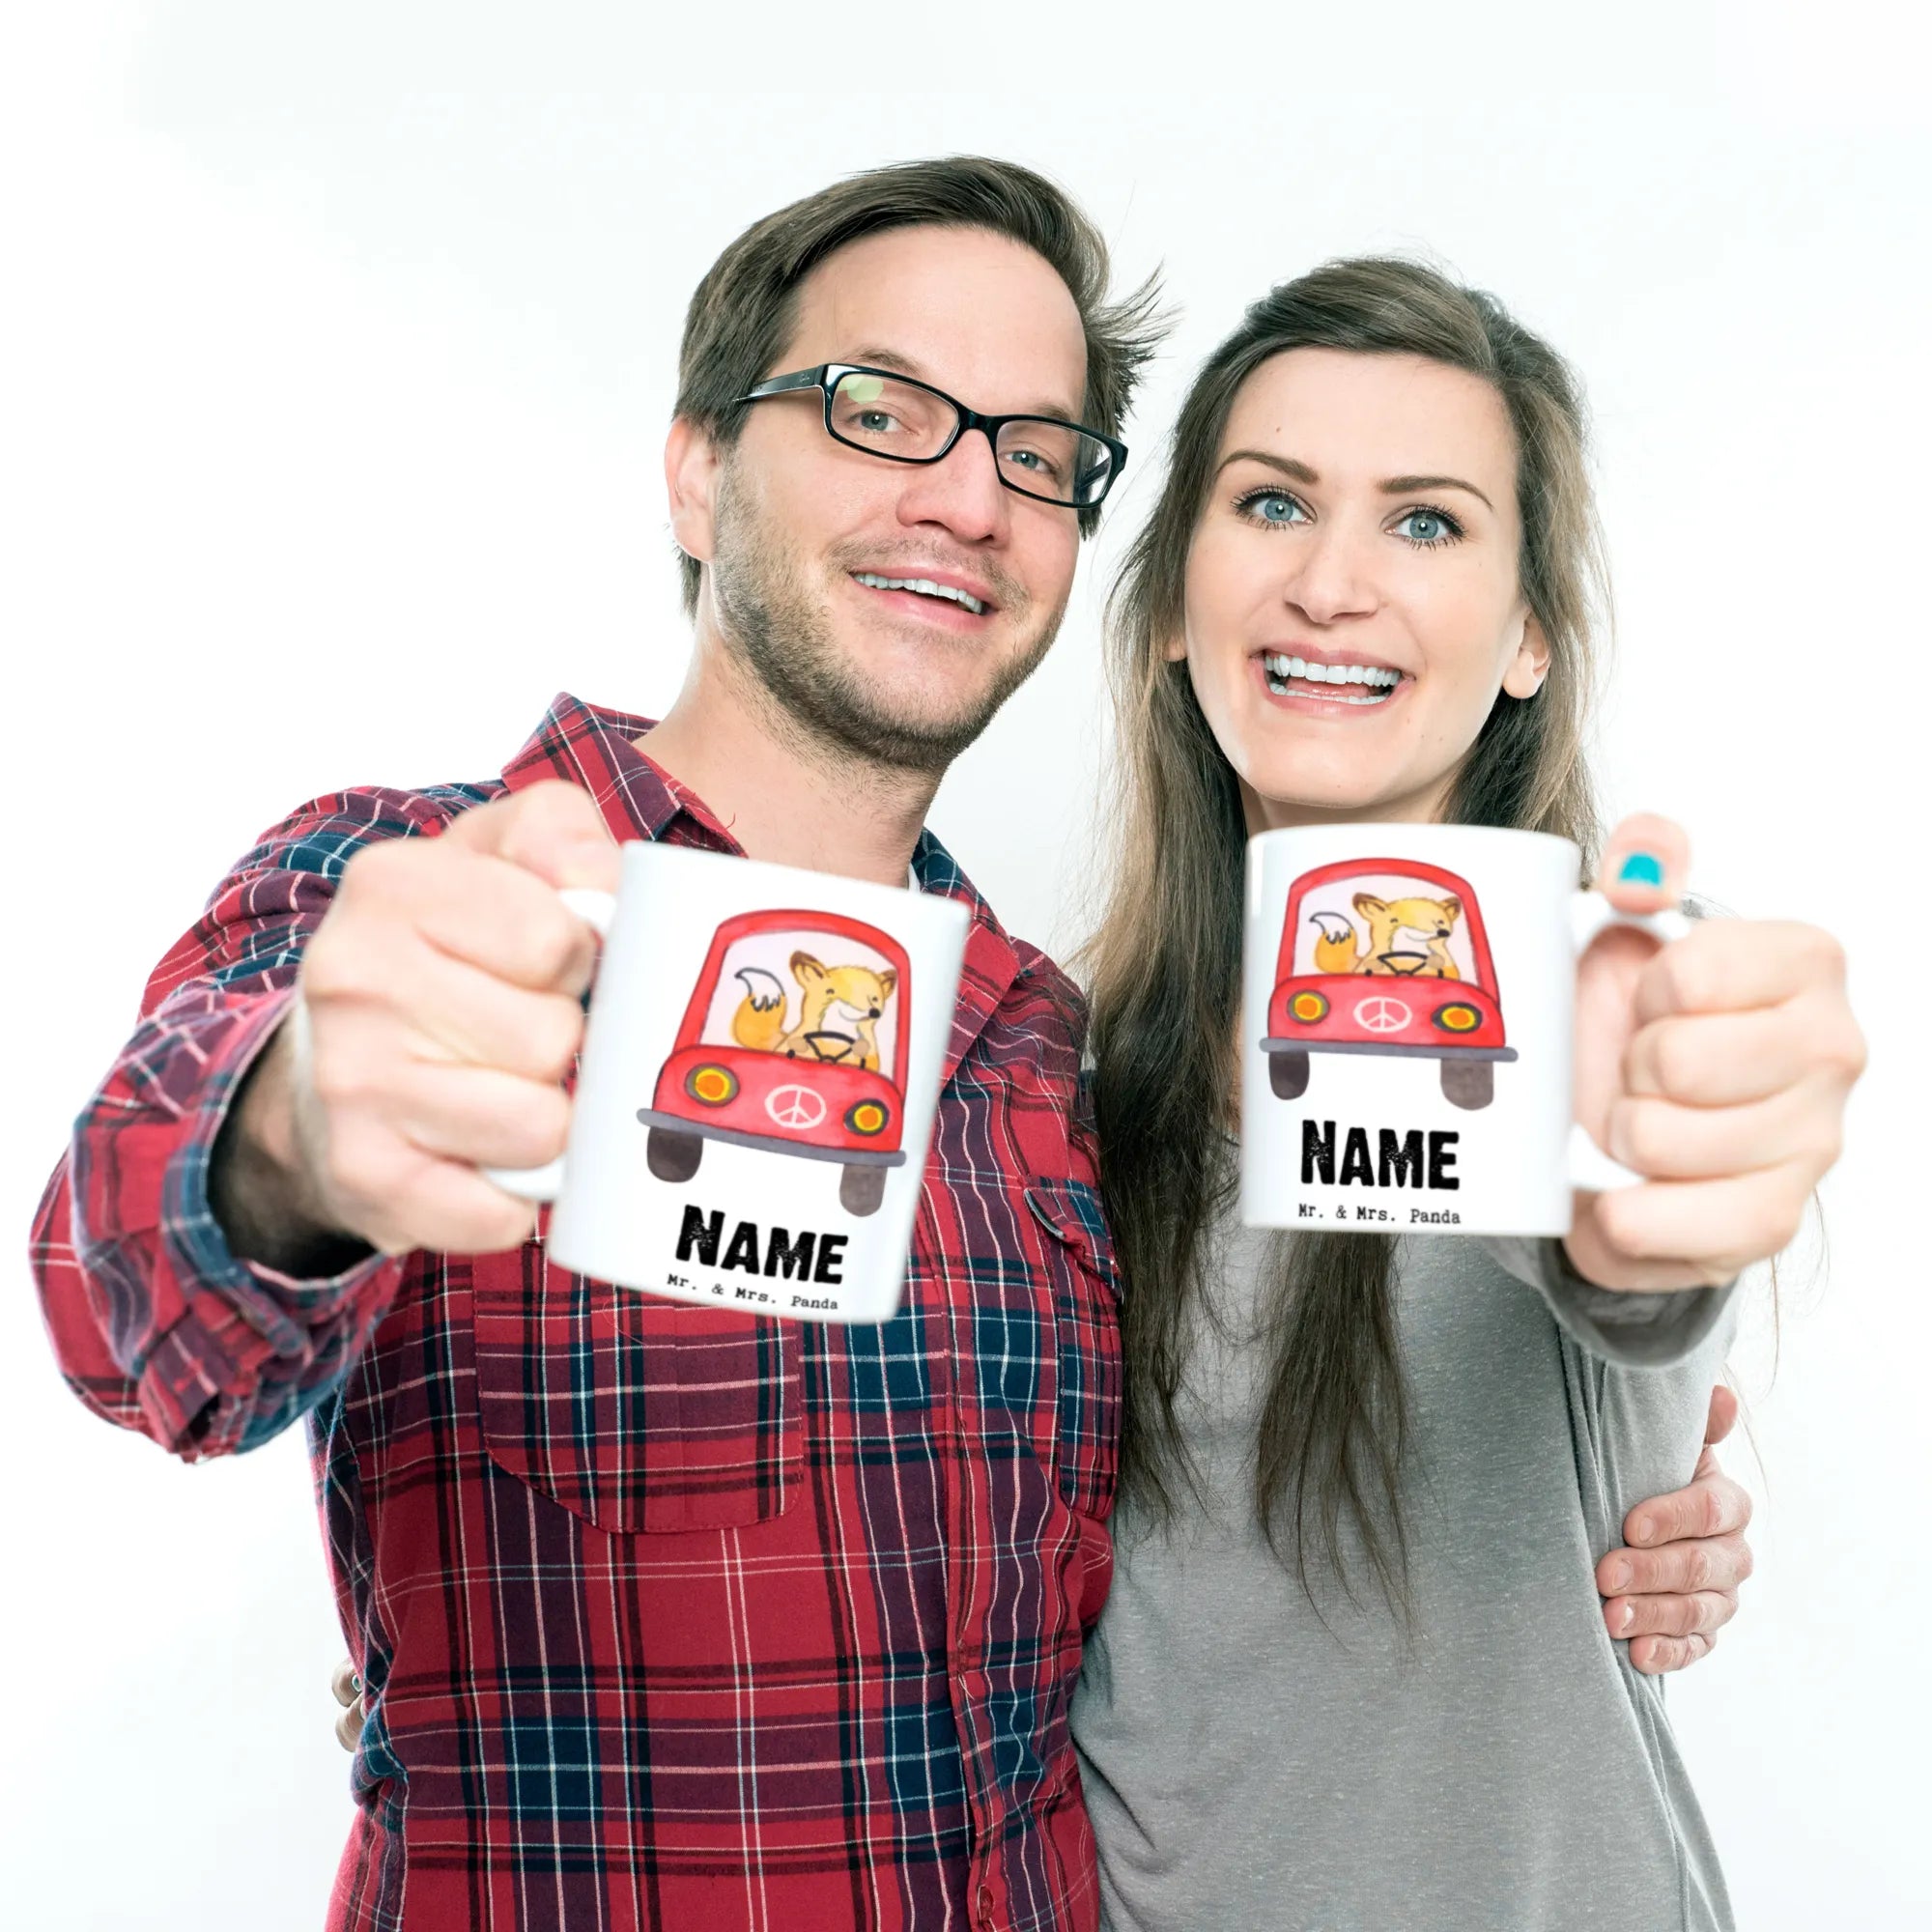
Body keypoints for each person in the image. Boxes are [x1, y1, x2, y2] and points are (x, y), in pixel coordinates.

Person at [34, 157, 1756, 1932]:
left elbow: (1496, 1344)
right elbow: (122, 1291)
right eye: (880, 409)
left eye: (1034, 451)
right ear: (698, 468)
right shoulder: (419, 893)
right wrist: (296, 1138)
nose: (966, 497)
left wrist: (1644, 1433)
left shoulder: (1047, 1056)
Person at [1071, 258, 1865, 1929]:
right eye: (1272, 503)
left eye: (1426, 522)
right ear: (1170, 605)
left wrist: (1663, 1187)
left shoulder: (1599, 1000)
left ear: (1527, 639)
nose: (1332, 583)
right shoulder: (1062, 1078)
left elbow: (1627, 1254)